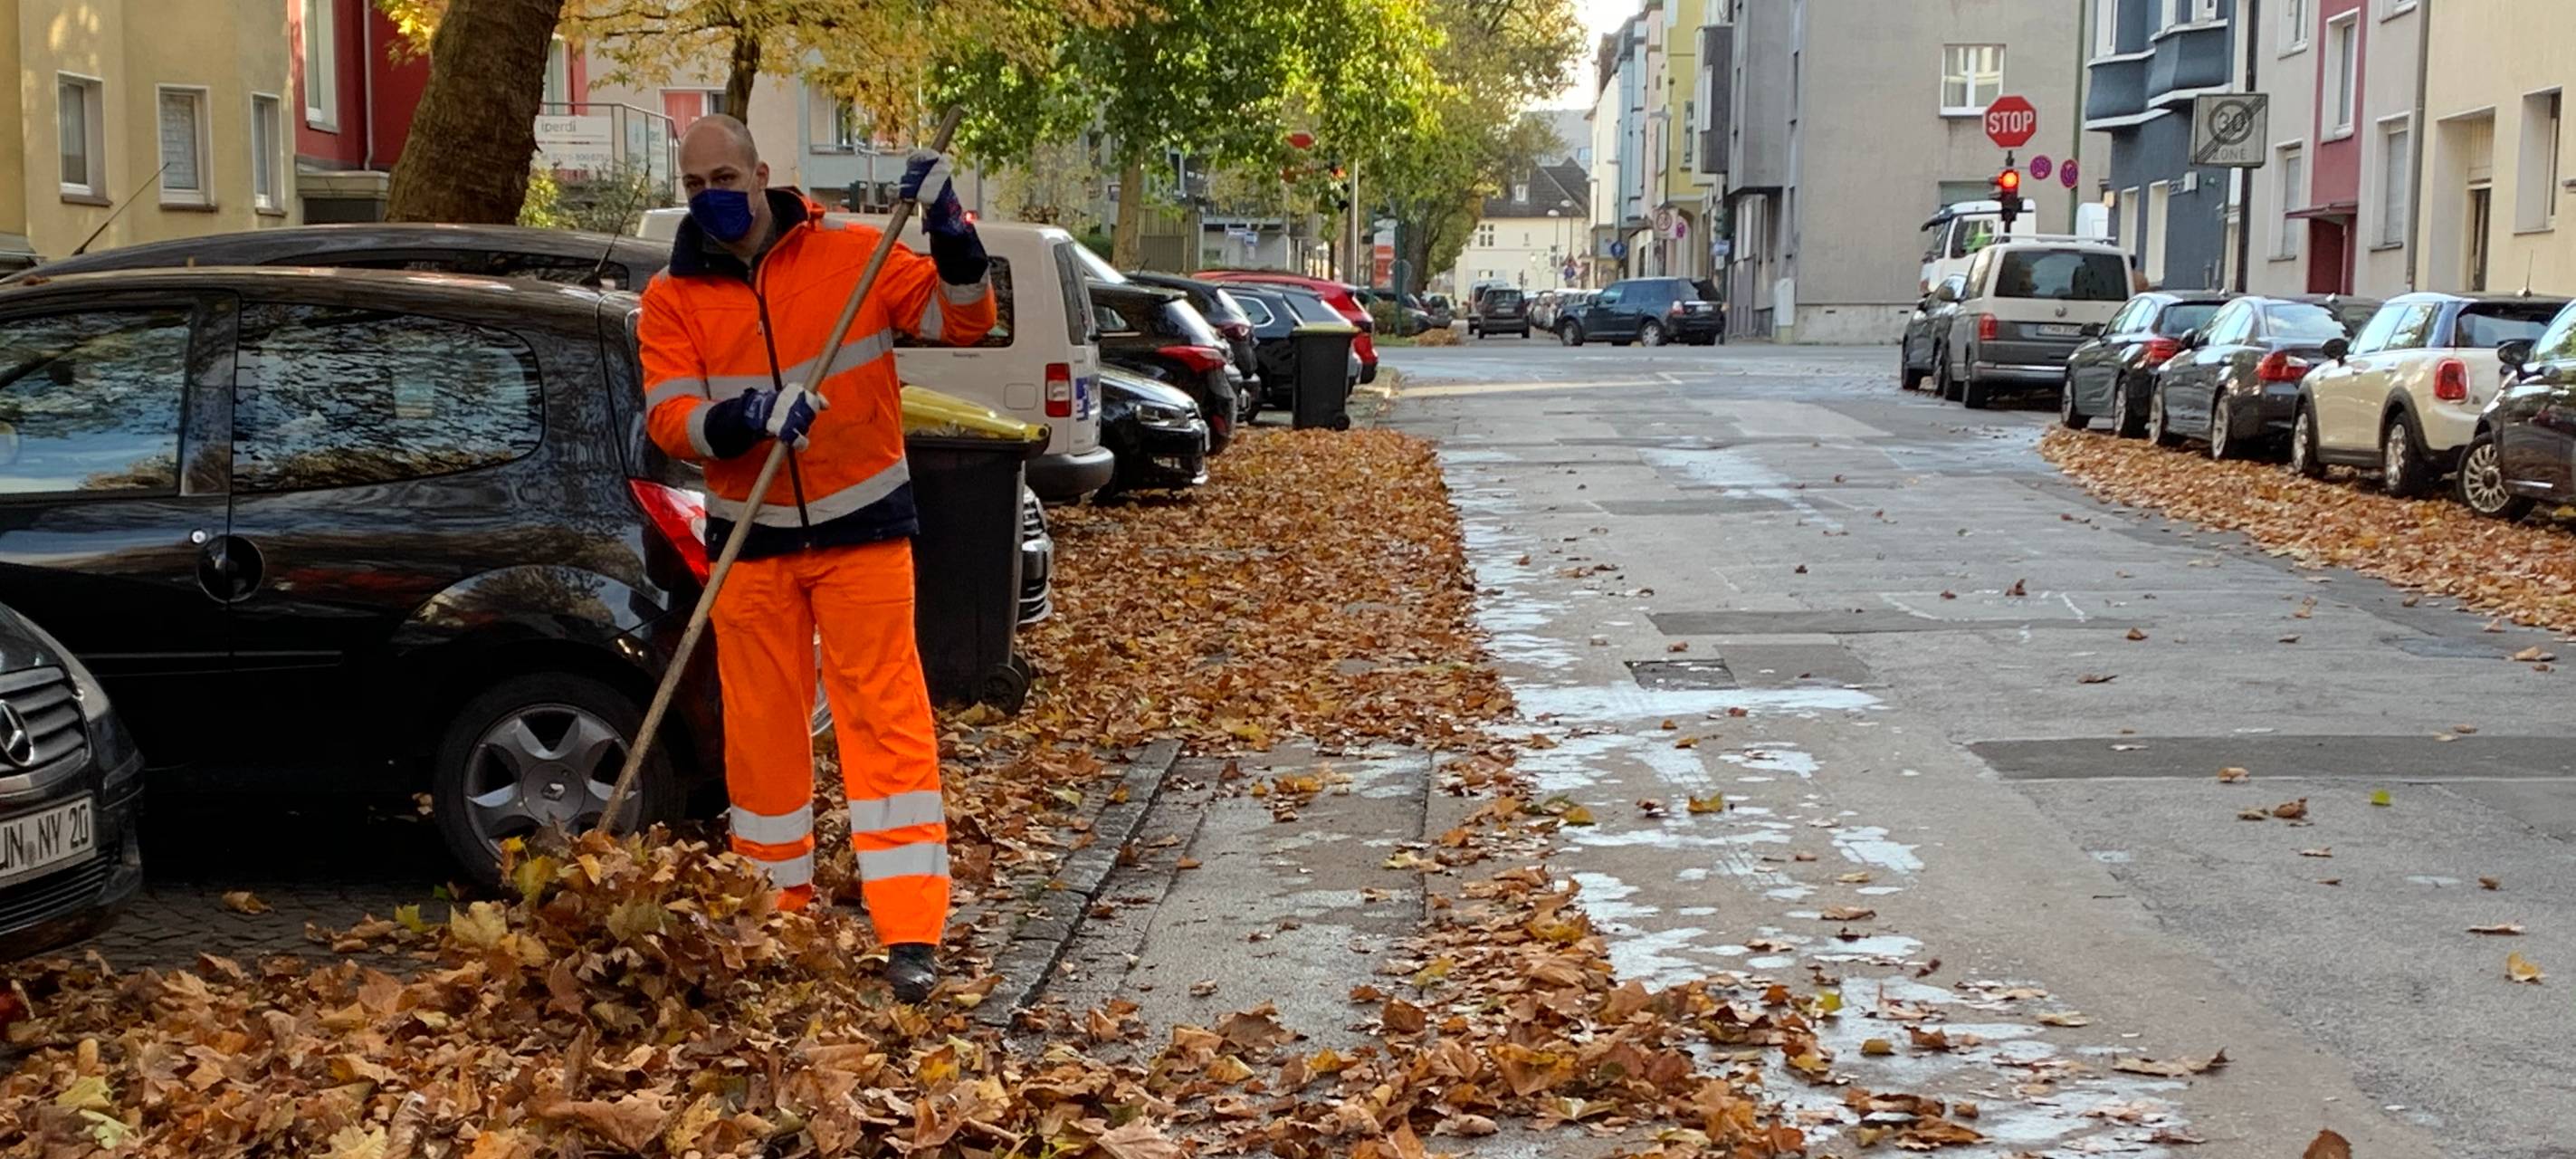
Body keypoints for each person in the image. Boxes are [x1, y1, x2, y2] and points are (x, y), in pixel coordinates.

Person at [635, 114, 994, 1002]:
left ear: (762, 173)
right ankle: (773, 915)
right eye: (694, 186)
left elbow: (962, 317)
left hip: (862, 530)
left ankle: (910, 929)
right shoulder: (672, 298)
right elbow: (669, 417)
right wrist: (746, 417)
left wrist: (950, 227)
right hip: (750, 542)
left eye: (725, 177)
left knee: (885, 724)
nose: (712, 196)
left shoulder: (849, 255)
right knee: (760, 740)